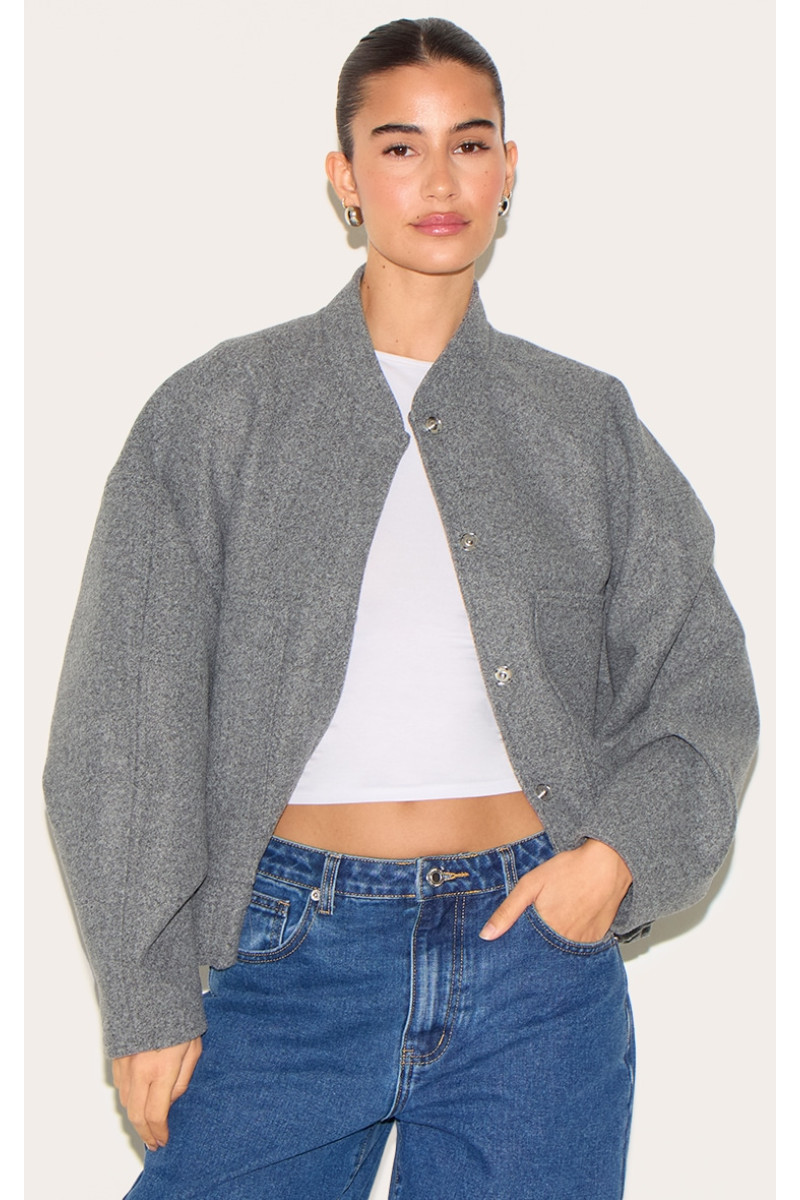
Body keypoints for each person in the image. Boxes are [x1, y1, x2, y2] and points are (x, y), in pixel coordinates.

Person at [43, 16, 758, 1200]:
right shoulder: (219, 414)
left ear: (507, 169)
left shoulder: (581, 422)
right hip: (286, 957)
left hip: (534, 970)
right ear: (343, 176)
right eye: (397, 147)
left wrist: (611, 861)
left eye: (468, 145)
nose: (438, 180)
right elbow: (125, 717)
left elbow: (699, 681)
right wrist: (147, 989)